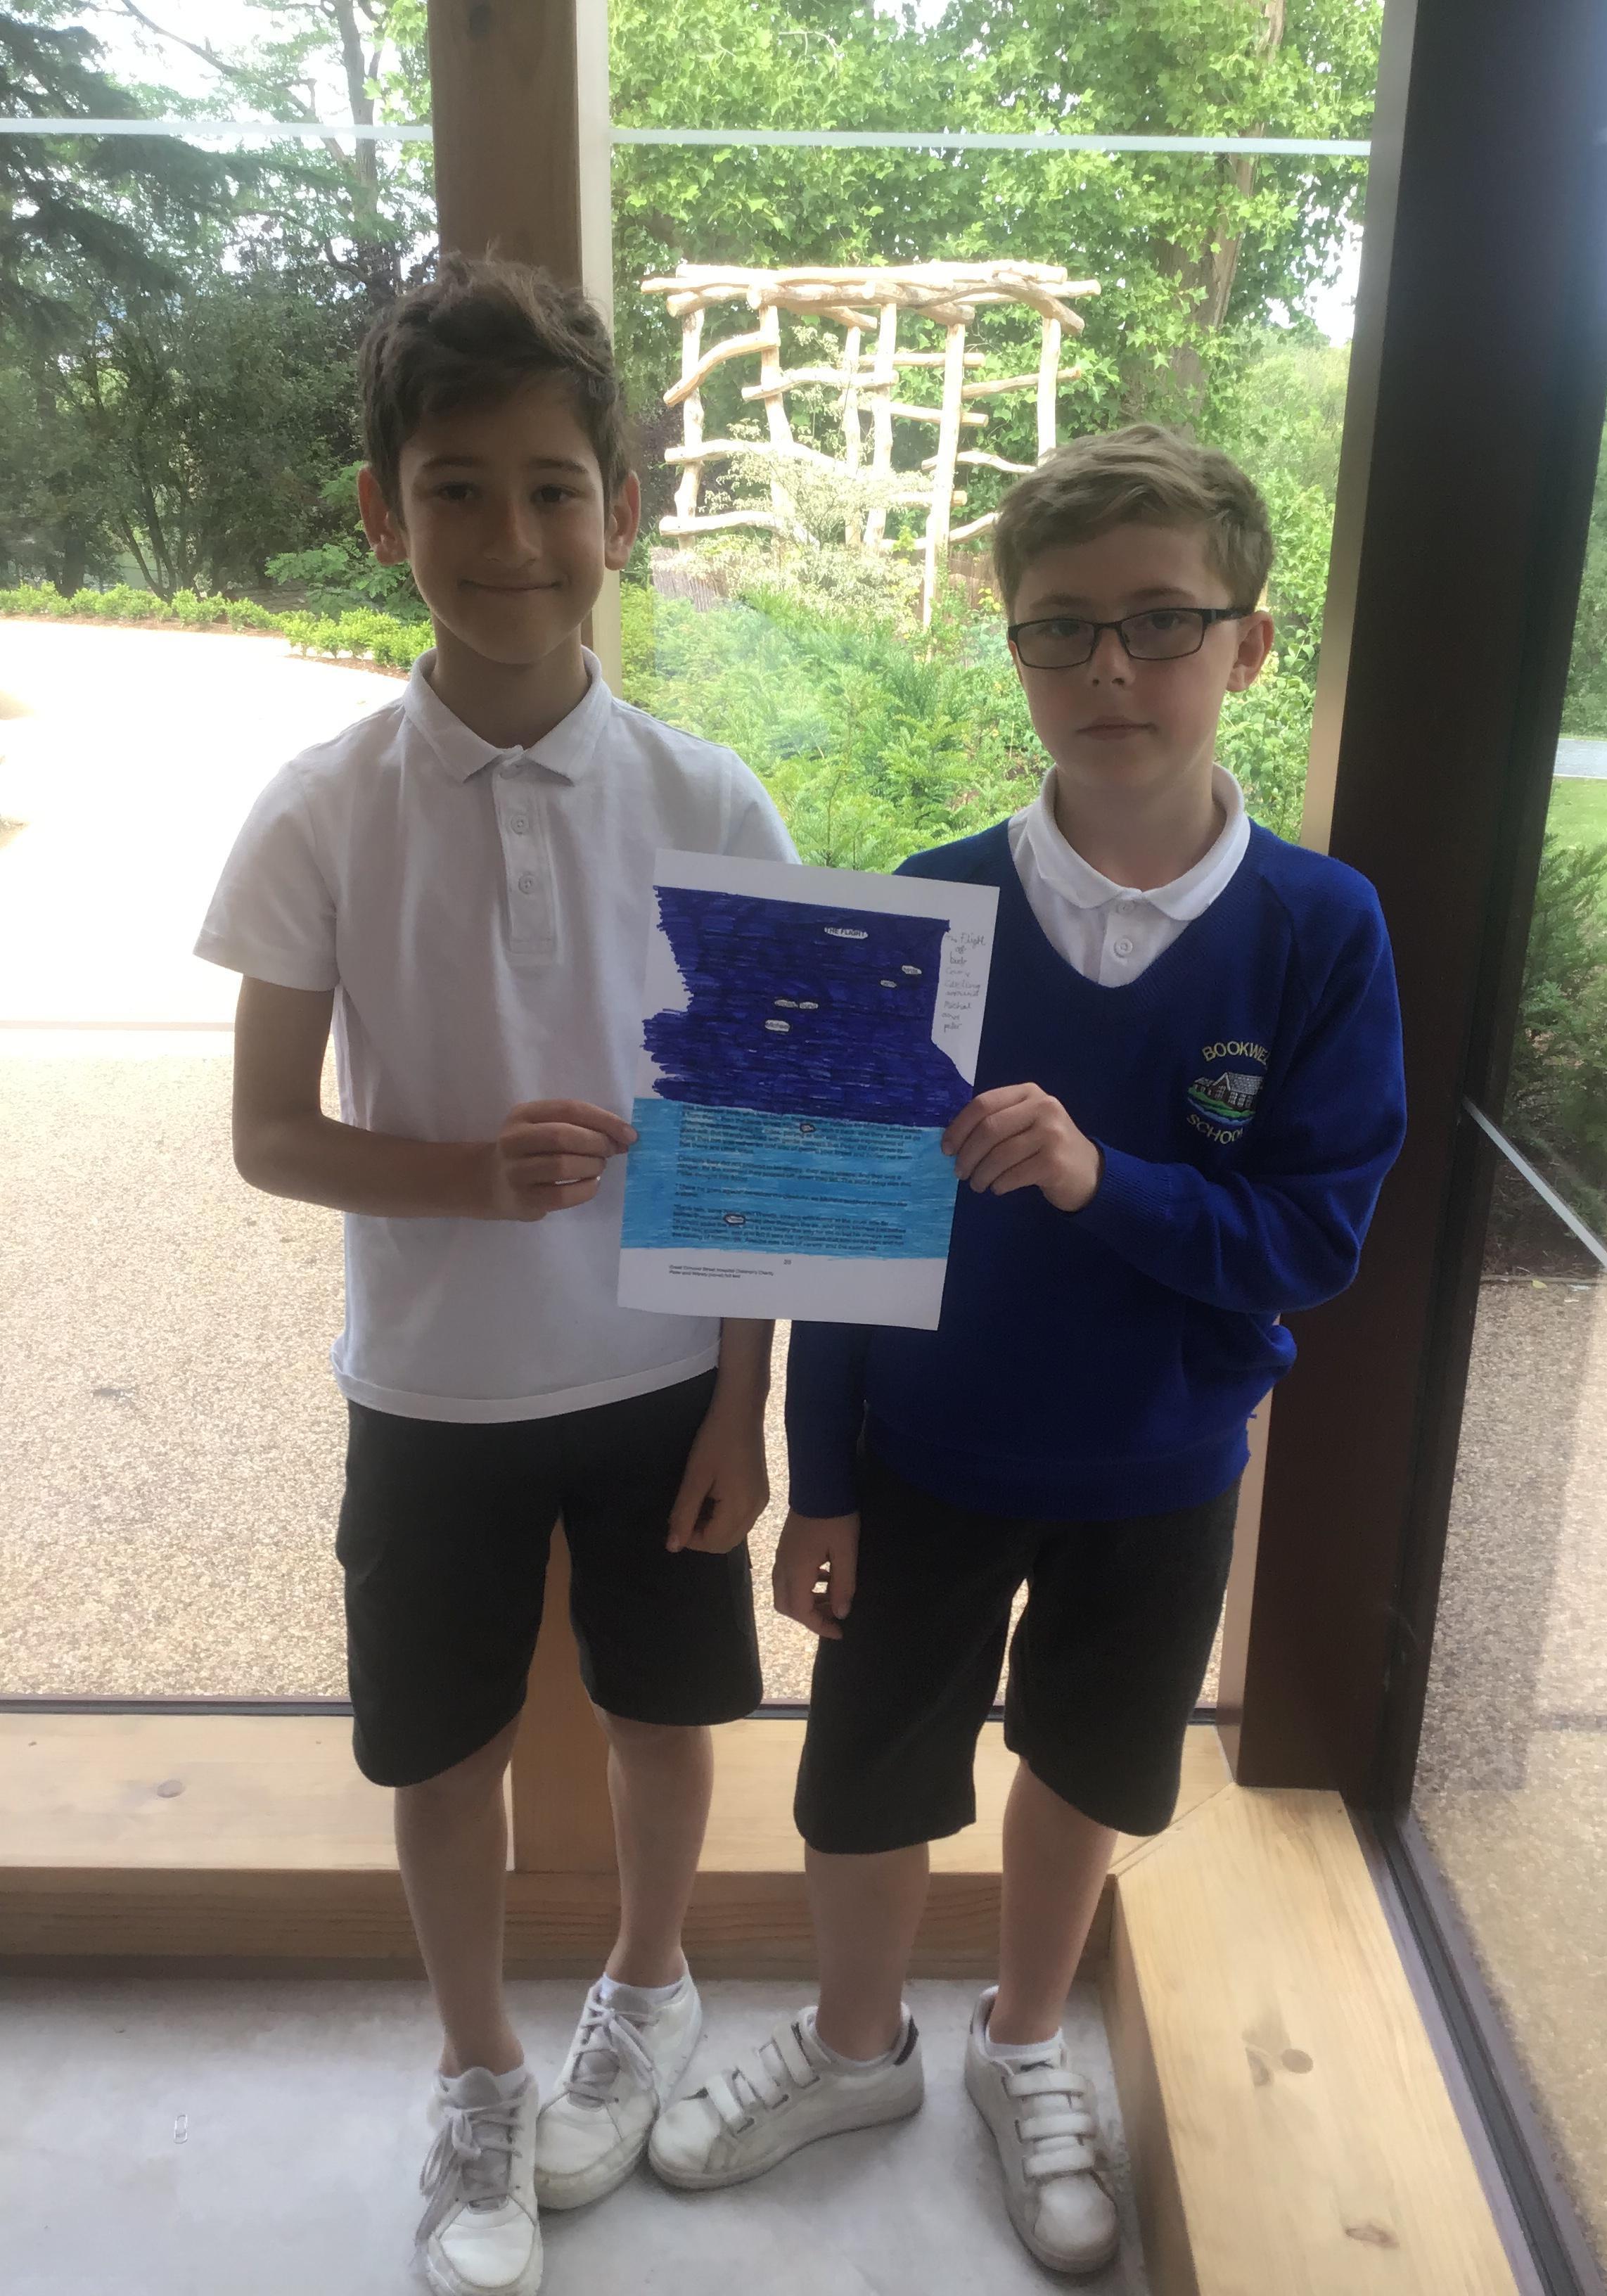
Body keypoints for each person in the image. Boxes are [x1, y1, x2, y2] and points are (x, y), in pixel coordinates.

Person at [648, 425, 1407, 2274]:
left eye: (1162, 622)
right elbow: (828, 1244)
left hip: (1162, 1466)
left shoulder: (1319, 929)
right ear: (1015, 651)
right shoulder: (922, 907)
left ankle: (1021, 2040)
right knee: (865, 1769)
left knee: (1089, 1765)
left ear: (1248, 645)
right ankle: (854, 2048)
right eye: (1060, 627)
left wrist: (1097, 1178)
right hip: (925, 1458)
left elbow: (1311, 1242)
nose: (1111, 668)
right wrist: (822, 1484)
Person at [196, 255, 797, 2296]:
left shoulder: (714, 800)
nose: (512, 537)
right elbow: (271, 1132)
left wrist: (744, 1397)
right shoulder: (322, 807)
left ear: (621, 510)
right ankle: (474, 2071)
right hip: (430, 1386)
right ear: (387, 514)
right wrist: (462, 1175)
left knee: (664, 1711)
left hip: (663, 1379)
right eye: (458, 489)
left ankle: (649, 1984)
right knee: (437, 1752)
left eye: (554, 490)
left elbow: (771, 1143)